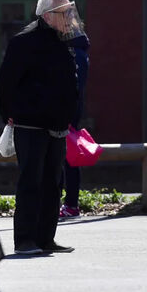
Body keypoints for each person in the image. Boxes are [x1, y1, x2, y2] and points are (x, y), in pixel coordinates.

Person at [0, 0, 82, 255]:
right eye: (64, 11)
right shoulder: (24, 41)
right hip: (30, 124)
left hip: (56, 125)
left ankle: (46, 239)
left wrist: (70, 115)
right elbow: (5, 82)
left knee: (53, 184)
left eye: (71, 10)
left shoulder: (63, 40)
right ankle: (24, 240)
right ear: (47, 15)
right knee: (30, 182)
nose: (70, 15)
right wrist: (9, 114)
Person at [59, 30, 91, 219]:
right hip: (72, 113)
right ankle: (71, 203)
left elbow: (73, 86)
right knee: (68, 160)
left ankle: (71, 204)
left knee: (67, 160)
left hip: (67, 114)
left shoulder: (74, 54)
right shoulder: (80, 52)